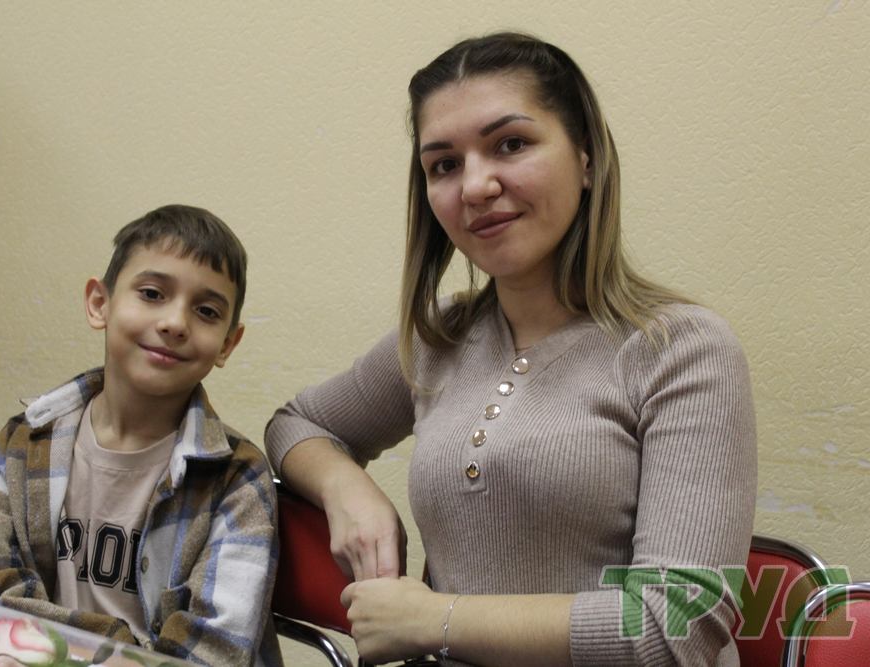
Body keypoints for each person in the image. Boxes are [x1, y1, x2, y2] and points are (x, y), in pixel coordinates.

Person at [266, 32, 756, 666]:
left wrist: (435, 619)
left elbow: (674, 627)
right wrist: (348, 490)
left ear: (586, 158)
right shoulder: (440, 339)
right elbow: (298, 424)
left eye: (511, 144)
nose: (475, 186)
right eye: (444, 164)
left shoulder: (681, 350)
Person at [0, 205, 282, 666]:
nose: (175, 323)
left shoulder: (238, 479)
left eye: (206, 311)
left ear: (228, 343)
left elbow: (212, 653)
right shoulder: (25, 442)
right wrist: (112, 647)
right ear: (99, 303)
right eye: (152, 294)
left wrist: (72, 648)